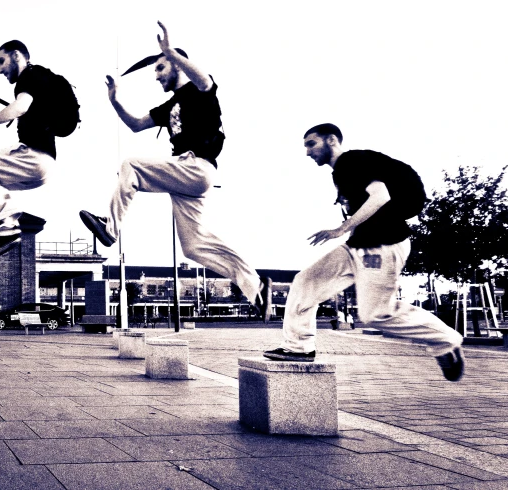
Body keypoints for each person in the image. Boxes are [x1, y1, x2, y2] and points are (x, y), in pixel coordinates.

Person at [79, 21, 272, 320]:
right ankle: (254, 286)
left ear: (175, 65)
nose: (156, 77)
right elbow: (135, 125)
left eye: (160, 69)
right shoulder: (169, 106)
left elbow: (204, 78)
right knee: (193, 246)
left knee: (131, 165)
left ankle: (110, 228)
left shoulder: (199, 89)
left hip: (197, 166)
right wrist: (115, 101)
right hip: (185, 179)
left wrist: (169, 50)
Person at [263, 123, 465, 382]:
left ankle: (445, 341)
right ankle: (298, 348)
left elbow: (380, 196)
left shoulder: (351, 161)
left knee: (375, 314)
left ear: (331, 140)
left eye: (311, 144)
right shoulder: (342, 172)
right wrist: (349, 231)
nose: (307, 152)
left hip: (383, 244)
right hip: (359, 244)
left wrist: (341, 228)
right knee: (305, 281)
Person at [0, 40, 71, 261]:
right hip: (45, 169)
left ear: (17, 55)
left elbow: (20, 107)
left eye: (1, 61)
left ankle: (6, 221)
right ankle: (5, 228)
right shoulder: (45, 79)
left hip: (32, 157)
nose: (0, 70)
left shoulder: (29, 76)